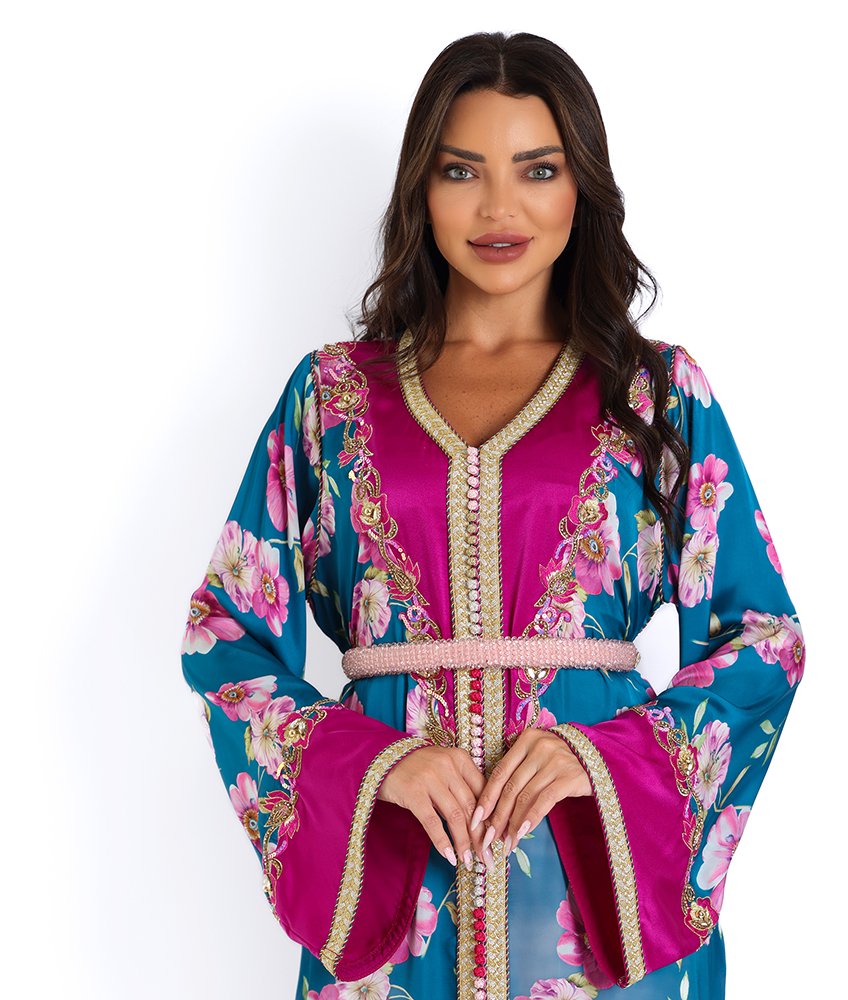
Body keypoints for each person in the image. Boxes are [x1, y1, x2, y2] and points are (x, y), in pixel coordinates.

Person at [181, 30, 806, 1000]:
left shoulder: (655, 394)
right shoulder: (330, 398)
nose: (498, 207)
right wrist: (372, 762)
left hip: (590, 894)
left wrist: (600, 756)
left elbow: (763, 637)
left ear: (580, 187)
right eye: (461, 170)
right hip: (394, 887)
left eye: (537, 169)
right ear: (420, 191)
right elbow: (224, 636)